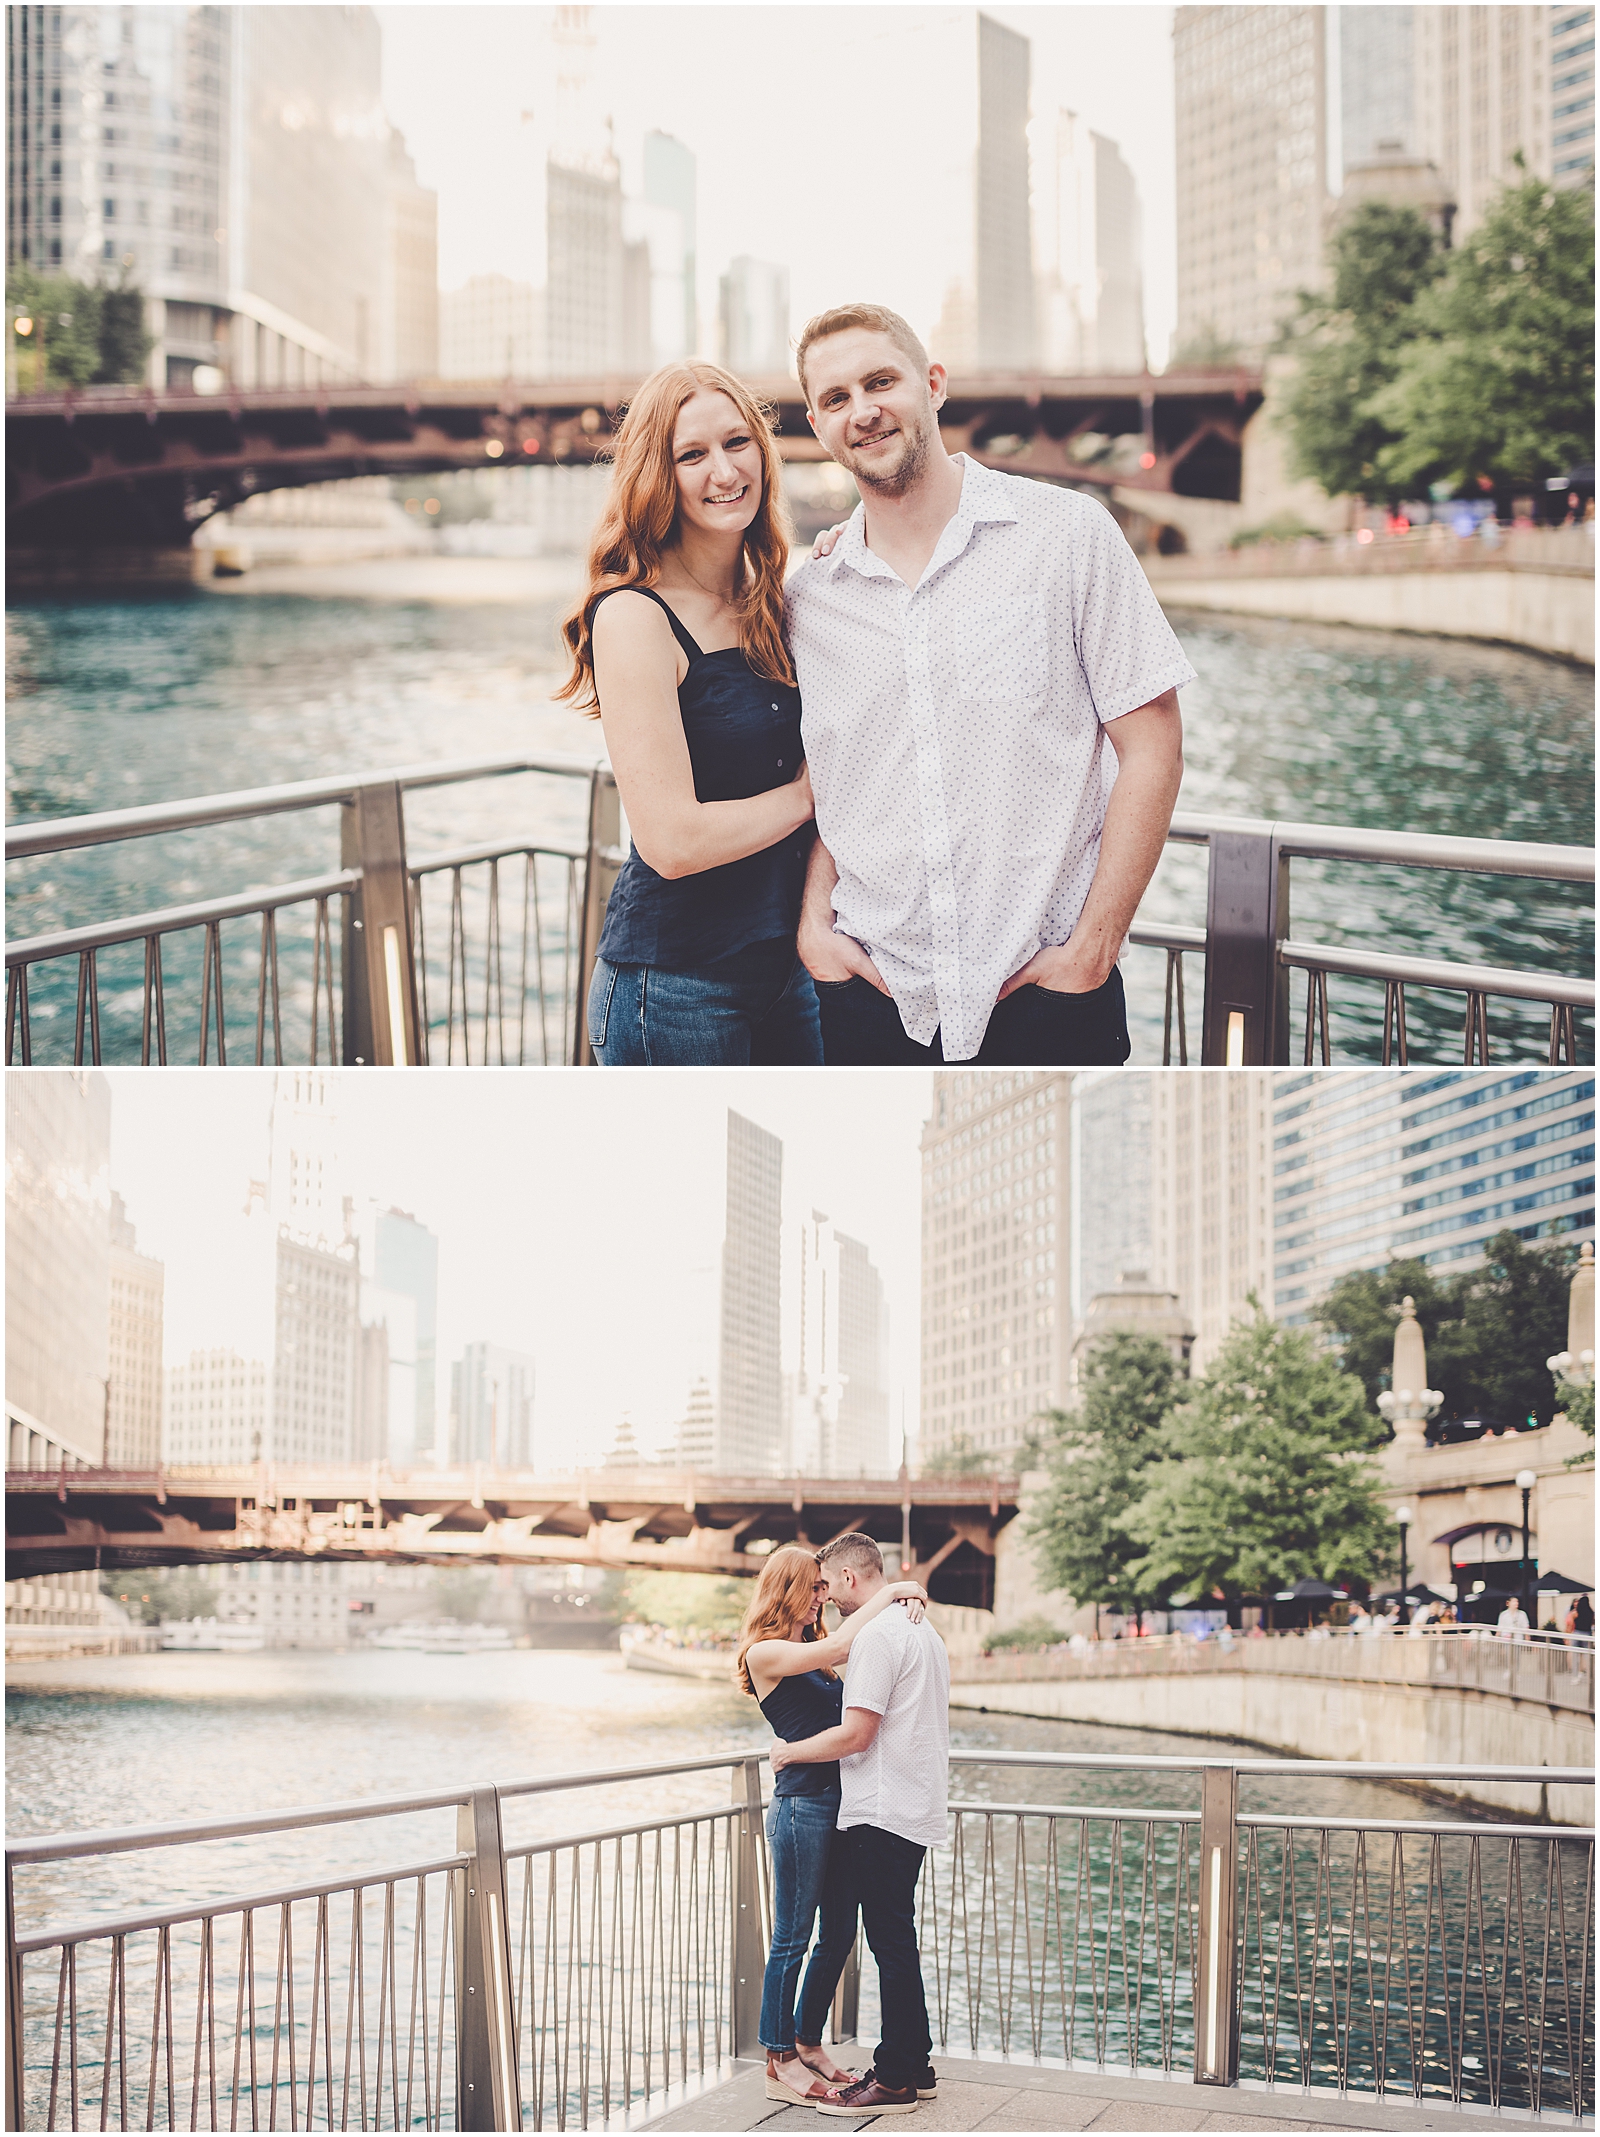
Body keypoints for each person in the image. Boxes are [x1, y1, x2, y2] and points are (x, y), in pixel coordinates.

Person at [785, 303, 1194, 1067]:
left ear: (933, 384)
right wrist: (815, 924)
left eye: (881, 381)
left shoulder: (1069, 536)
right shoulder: (811, 599)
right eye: (836, 399)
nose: (864, 411)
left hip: (1049, 991)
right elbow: (831, 778)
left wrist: (1093, 947)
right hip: (870, 999)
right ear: (816, 425)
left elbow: (1155, 747)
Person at [559, 361, 821, 1065]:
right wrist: (806, 796)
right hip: (674, 987)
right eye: (692, 454)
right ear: (658, 474)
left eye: (738, 443)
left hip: (788, 969)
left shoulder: (771, 601)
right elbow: (671, 841)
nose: (724, 470)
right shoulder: (634, 617)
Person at [733, 1547, 929, 2109]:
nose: (823, 1597)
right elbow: (847, 1645)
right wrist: (894, 1592)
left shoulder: (810, 1657)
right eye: (814, 1589)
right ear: (788, 1590)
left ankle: (807, 2040)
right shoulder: (765, 1652)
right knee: (792, 1936)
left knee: (839, 1934)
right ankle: (778, 2057)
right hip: (802, 1808)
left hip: (840, 1808)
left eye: (825, 1588)